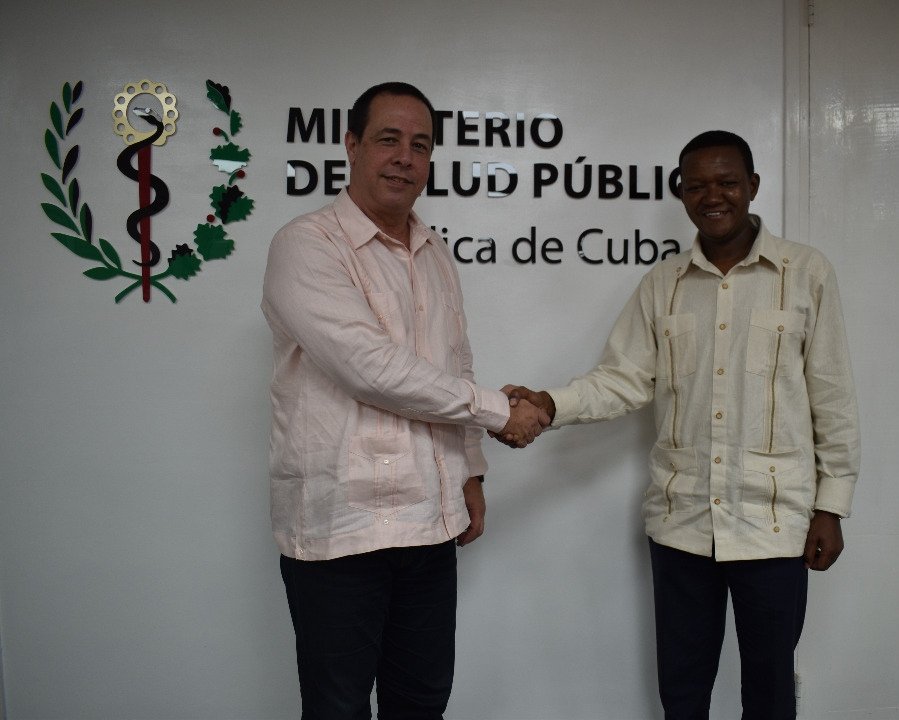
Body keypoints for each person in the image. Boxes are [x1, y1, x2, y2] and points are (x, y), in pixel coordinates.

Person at [502, 130, 859, 720]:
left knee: (770, 693)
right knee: (682, 690)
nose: (712, 196)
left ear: (752, 187)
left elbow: (834, 397)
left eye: (727, 183)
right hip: (682, 523)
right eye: (697, 186)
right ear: (682, 194)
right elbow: (623, 380)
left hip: (774, 523)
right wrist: (547, 402)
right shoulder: (661, 286)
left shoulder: (807, 274)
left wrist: (832, 505)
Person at [261, 81, 548, 719]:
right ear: (352, 146)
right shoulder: (305, 245)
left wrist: (471, 468)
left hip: (428, 520)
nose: (404, 157)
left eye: (420, 145)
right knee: (337, 707)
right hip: (341, 529)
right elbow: (370, 368)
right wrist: (499, 413)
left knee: (420, 701)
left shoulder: (435, 253)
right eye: (388, 140)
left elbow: (456, 361)